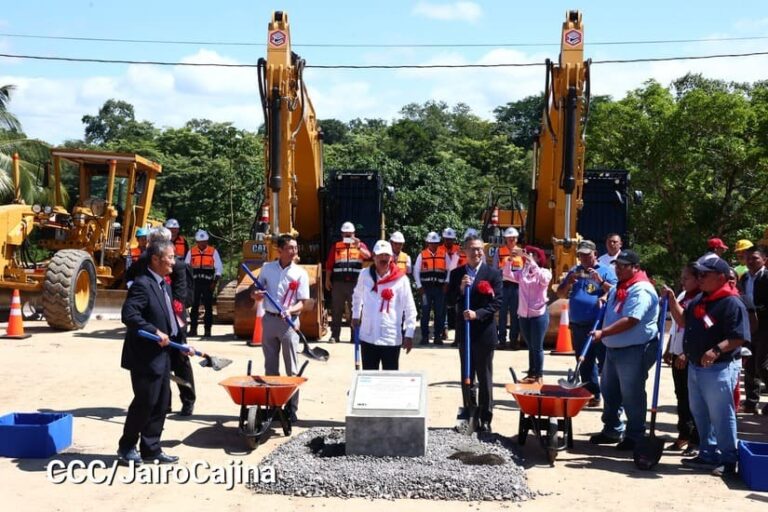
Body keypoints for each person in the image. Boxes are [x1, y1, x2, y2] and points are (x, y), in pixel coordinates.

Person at [118, 238, 194, 466]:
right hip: (144, 356)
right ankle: (126, 447)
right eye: (170, 257)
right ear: (155, 259)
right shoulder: (142, 284)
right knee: (145, 402)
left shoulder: (164, 284)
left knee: (161, 403)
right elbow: (129, 315)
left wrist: (180, 342)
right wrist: (154, 331)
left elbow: (170, 317)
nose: (174, 261)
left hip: (163, 354)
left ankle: (151, 448)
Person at [671, 256, 749, 477]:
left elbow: (738, 337)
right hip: (696, 367)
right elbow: (684, 322)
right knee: (700, 413)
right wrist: (671, 300)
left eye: (704, 274)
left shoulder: (731, 302)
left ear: (721, 277)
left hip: (719, 367)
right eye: (699, 274)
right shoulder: (699, 300)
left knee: (721, 414)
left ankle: (728, 459)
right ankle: (707, 453)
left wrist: (716, 350)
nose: (700, 278)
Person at [589, 249, 659, 451]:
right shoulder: (621, 286)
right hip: (614, 348)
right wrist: (605, 296)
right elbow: (614, 298)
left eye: (623, 266)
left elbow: (631, 320)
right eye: (617, 266)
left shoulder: (641, 289)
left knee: (632, 394)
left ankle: (635, 435)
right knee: (609, 391)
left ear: (635, 267)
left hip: (634, 349)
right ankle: (611, 429)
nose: (618, 270)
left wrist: (604, 332)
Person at [127, 227, 197, 416]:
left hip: (175, 317)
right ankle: (163, 402)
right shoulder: (143, 261)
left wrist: (176, 320)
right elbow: (130, 277)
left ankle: (188, 399)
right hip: (154, 319)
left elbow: (181, 294)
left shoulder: (179, 266)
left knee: (180, 358)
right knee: (160, 362)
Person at [250, 234, 309, 422]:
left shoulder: (301, 273)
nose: (295, 251)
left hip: (289, 324)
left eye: (296, 247)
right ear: (280, 250)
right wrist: (256, 295)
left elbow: (303, 302)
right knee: (271, 367)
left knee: (292, 368)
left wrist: (290, 310)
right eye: (291, 248)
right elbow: (255, 290)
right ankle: (274, 407)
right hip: (269, 321)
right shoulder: (267, 269)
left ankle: (291, 409)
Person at [447, 235, 503, 432]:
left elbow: (497, 303)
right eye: (472, 249)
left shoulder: (493, 274)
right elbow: (448, 300)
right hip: (466, 334)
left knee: (485, 376)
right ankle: (470, 413)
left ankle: (486, 417)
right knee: (466, 374)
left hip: (484, 333)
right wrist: (461, 290)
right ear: (465, 251)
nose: (477, 252)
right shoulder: (456, 274)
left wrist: (477, 314)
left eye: (479, 249)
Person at [556, 240, 617, 407]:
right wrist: (568, 282)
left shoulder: (605, 272)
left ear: (595, 254)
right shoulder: (575, 272)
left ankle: (612, 396)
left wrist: (602, 288)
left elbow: (616, 292)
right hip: (578, 324)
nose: (583, 258)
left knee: (605, 362)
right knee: (585, 362)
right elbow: (560, 294)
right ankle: (592, 394)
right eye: (581, 255)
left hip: (598, 324)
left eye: (587, 255)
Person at [352, 240, 417, 370]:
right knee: (369, 378)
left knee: (390, 380)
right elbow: (357, 295)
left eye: (387, 255)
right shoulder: (364, 275)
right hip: (368, 336)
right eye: (380, 255)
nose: (384, 258)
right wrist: (355, 314)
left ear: (391, 257)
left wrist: (409, 334)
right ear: (373, 255)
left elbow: (410, 308)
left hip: (390, 338)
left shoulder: (401, 279)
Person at [662, 263, 701, 454]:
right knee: (681, 397)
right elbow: (677, 327)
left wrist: (686, 353)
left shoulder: (700, 299)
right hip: (678, 352)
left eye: (686, 278)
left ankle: (696, 439)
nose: (682, 281)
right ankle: (684, 434)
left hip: (689, 355)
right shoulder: (683, 295)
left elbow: (691, 326)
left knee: (692, 399)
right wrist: (669, 347)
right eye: (682, 277)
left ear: (697, 279)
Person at [324, 221, 371, 343]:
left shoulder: (360, 246)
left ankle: (355, 336)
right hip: (338, 283)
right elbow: (329, 265)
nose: (348, 237)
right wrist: (327, 279)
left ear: (354, 234)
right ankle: (335, 335)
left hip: (355, 284)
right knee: (336, 309)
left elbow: (368, 256)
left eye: (350, 235)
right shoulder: (336, 246)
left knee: (355, 309)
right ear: (342, 234)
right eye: (345, 234)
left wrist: (358, 245)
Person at [512, 245, 552, 384]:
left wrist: (531, 261)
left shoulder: (545, 272)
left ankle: (538, 375)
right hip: (524, 315)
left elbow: (544, 280)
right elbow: (507, 275)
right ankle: (531, 373)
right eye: (528, 254)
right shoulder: (523, 273)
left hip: (539, 315)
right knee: (530, 346)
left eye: (532, 254)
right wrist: (510, 260)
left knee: (537, 346)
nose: (528, 257)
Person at [738, 245, 768, 415]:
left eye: (754, 258)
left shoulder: (766, 277)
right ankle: (751, 402)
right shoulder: (744, 279)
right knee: (749, 364)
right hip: (748, 327)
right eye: (747, 258)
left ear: (764, 259)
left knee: (762, 365)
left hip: (765, 327)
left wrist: (757, 309)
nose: (750, 261)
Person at [184, 229, 223, 338]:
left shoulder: (213, 251)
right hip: (195, 284)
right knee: (194, 307)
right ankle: (193, 329)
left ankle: (207, 330)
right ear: (196, 242)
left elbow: (219, 267)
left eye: (204, 241)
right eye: (200, 241)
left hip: (208, 284)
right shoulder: (191, 252)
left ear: (207, 241)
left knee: (208, 308)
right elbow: (186, 267)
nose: (202, 243)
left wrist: (215, 282)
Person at [413, 231, 447, 345]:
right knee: (425, 313)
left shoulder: (444, 254)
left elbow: (450, 270)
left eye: (436, 243)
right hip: (425, 290)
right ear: (427, 243)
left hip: (439, 289)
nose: (434, 245)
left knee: (439, 313)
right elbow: (416, 271)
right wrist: (419, 286)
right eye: (431, 243)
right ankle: (425, 337)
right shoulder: (422, 255)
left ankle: (437, 337)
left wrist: (446, 283)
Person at [493, 227, 524, 350]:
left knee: (515, 314)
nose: (512, 240)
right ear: (505, 239)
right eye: (509, 238)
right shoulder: (499, 252)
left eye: (514, 238)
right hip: (503, 286)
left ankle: (513, 340)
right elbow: (495, 270)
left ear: (516, 239)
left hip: (517, 287)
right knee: (502, 315)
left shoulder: (521, 252)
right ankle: (501, 341)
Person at [442, 228, 460, 339]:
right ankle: (444, 328)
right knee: (443, 306)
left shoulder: (458, 249)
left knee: (457, 305)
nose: (449, 241)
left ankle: (457, 330)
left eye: (451, 239)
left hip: (456, 280)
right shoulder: (439, 249)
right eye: (447, 239)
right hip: (443, 280)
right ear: (444, 239)